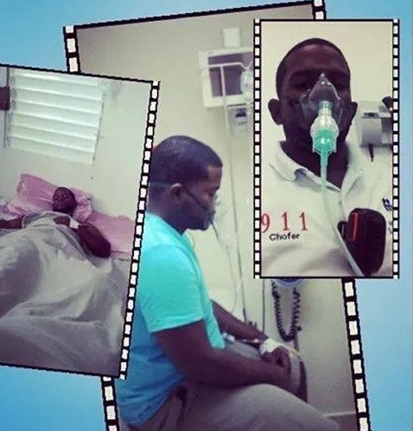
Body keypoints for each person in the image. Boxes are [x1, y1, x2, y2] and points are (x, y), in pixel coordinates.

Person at [115, 135, 339, 431]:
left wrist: (263, 340)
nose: (215, 204)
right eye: (211, 193)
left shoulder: (168, 234)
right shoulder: (161, 253)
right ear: (177, 194)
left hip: (196, 365)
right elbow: (199, 364)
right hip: (167, 401)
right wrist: (273, 377)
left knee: (293, 365)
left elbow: (201, 304)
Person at [261, 37, 393, 277]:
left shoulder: (389, 182)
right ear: (276, 112)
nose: (324, 95)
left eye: (339, 84)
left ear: (351, 111)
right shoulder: (258, 193)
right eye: (303, 84)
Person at [0, 187, 111, 258]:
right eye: (56, 197)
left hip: (58, 254)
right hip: (28, 241)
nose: (60, 199)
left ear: (74, 203)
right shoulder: (40, 215)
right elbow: (8, 224)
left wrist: (73, 228)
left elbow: (104, 250)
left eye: (65, 196)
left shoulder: (81, 225)